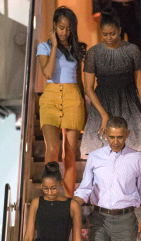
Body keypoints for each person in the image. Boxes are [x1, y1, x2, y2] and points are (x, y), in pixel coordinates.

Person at [81, 8, 141, 158]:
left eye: (113, 33)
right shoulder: (94, 53)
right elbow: (88, 89)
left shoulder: (132, 50)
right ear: (100, 31)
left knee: (132, 152)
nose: (109, 37)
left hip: (128, 102)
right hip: (102, 103)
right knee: (101, 154)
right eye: (105, 34)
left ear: (119, 30)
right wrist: (103, 114)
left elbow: (140, 84)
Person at [37, 6, 86, 197]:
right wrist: (55, 46)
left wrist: (85, 106)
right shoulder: (44, 47)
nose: (64, 32)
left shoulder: (77, 48)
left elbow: (80, 80)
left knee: (70, 154)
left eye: (68, 28)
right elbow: (48, 73)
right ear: (54, 27)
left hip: (73, 98)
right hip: (50, 98)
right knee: (53, 148)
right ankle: (50, 195)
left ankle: (67, 199)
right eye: (61, 27)